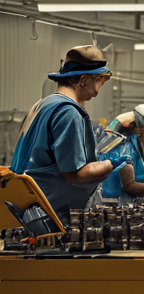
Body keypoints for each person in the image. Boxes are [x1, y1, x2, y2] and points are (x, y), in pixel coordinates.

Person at [8, 46, 121, 216]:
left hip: (28, 208)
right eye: (100, 81)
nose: (98, 90)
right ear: (83, 80)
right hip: (51, 213)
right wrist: (109, 163)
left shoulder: (44, 105)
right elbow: (74, 174)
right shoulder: (68, 112)